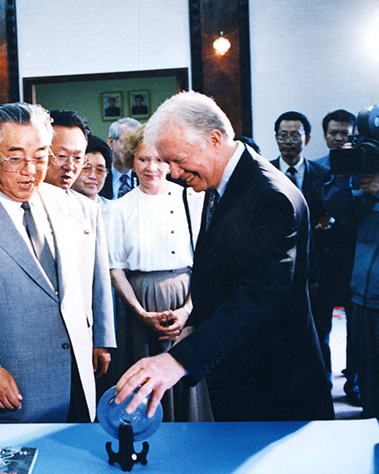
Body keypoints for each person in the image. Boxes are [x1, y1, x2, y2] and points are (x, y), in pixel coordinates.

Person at [115, 91, 334, 422]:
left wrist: (178, 360)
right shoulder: (222, 184)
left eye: (176, 159)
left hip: (276, 385)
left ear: (213, 139)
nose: (172, 172)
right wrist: (194, 323)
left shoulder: (269, 197)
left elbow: (258, 298)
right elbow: (222, 273)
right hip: (238, 371)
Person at [0, 102, 116, 424]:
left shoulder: (73, 207)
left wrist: (100, 340)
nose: (30, 170)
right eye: (15, 158)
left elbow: (90, 280)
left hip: (76, 382)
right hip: (10, 390)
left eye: (41, 156)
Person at [104, 124, 208, 421]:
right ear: (132, 161)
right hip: (139, 301)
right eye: (143, 160)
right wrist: (140, 312)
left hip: (186, 296)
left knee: (184, 375)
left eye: (160, 160)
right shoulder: (118, 209)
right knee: (143, 379)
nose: (152, 168)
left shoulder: (191, 199)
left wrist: (187, 310)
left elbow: (202, 260)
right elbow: (116, 268)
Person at [270, 111, 334, 382]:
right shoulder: (266, 172)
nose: (288, 141)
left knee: (320, 328)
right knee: (283, 331)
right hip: (278, 269)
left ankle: (323, 379)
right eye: (282, 136)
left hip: (319, 268)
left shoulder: (324, 174)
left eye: (294, 136)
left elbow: (332, 217)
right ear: (276, 138)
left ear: (306, 138)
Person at [322, 169, 379, 416]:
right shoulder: (365, 188)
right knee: (368, 379)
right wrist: (342, 173)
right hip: (362, 296)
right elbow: (338, 206)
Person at [315, 108, 360, 404]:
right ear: (324, 135)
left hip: (355, 260)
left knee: (358, 327)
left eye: (345, 134)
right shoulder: (317, 168)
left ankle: (354, 381)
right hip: (322, 262)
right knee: (321, 326)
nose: (339, 139)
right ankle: (323, 381)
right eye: (334, 133)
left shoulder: (367, 168)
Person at [44, 109, 90, 190]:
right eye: (62, 156)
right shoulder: (21, 201)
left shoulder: (83, 202)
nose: (70, 166)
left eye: (77, 158)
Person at [100, 118, 141, 199]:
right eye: (125, 141)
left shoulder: (145, 176)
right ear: (111, 142)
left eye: (134, 143)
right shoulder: (100, 175)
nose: (130, 149)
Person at [72, 135, 111, 207]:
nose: (92, 176)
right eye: (86, 168)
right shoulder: (57, 206)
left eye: (100, 170)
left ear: (106, 173)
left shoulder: (113, 211)